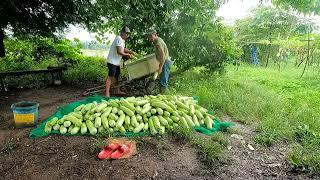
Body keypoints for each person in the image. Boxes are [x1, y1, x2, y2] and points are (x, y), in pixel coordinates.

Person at [105, 27, 135, 97]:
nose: (127, 35)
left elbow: (123, 48)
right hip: (112, 61)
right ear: (122, 32)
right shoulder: (118, 38)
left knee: (116, 76)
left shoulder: (122, 40)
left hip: (116, 62)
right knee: (110, 77)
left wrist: (131, 52)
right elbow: (119, 51)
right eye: (126, 33)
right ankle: (107, 93)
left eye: (128, 34)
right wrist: (128, 54)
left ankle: (116, 90)